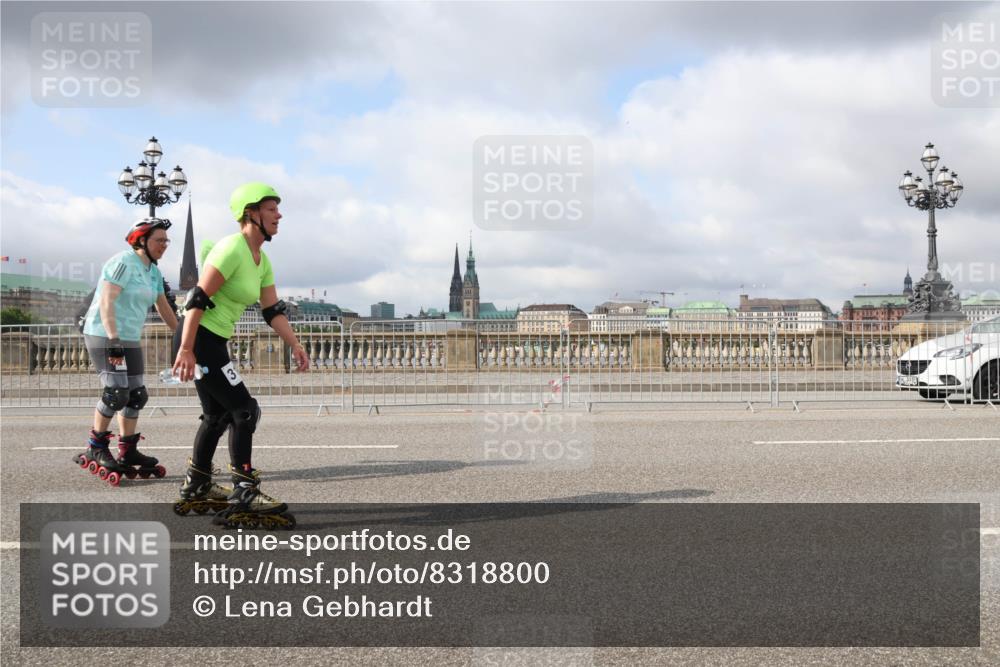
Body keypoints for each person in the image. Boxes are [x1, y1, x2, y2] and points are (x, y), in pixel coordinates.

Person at [172, 182, 308, 528]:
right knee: (244, 410)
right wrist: (187, 349)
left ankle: (198, 483)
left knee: (217, 416)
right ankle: (244, 489)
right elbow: (196, 299)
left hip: (213, 341)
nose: (279, 215)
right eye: (272, 208)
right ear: (251, 213)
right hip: (198, 338)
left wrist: (295, 344)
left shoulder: (261, 260)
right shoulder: (231, 249)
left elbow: (272, 310)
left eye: (278, 208)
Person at [75, 218, 178, 485]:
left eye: (166, 240)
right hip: (104, 333)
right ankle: (95, 446)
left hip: (130, 337)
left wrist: (183, 338)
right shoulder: (122, 262)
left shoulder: (153, 272)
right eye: (159, 240)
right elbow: (107, 301)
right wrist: (113, 338)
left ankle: (127, 450)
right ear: (142, 240)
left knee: (136, 395)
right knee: (116, 393)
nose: (164, 245)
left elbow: (164, 307)